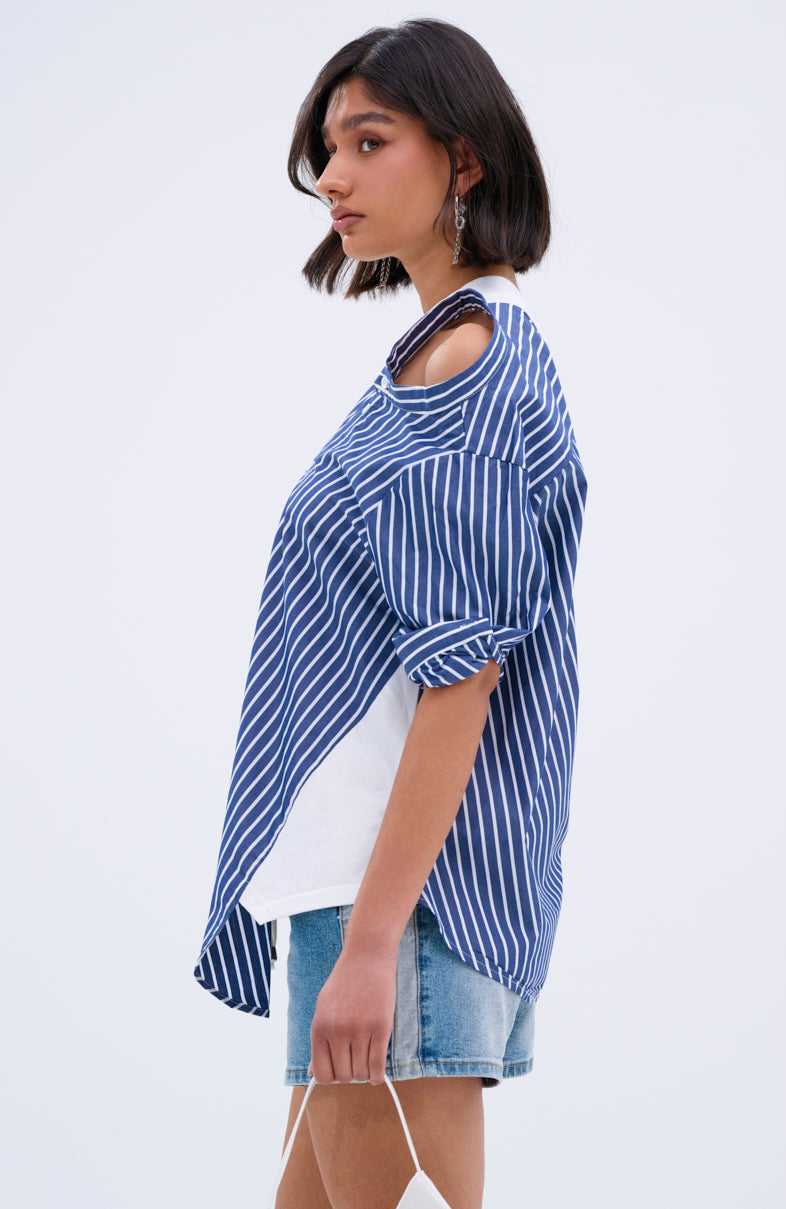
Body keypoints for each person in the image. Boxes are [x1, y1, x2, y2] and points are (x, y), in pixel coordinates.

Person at [194, 18, 588, 1209]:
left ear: (462, 161)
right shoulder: (456, 353)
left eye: (370, 141)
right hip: (367, 891)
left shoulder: (456, 369)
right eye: (326, 148)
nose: (334, 177)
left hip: (391, 898)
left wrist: (369, 947)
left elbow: (461, 677)